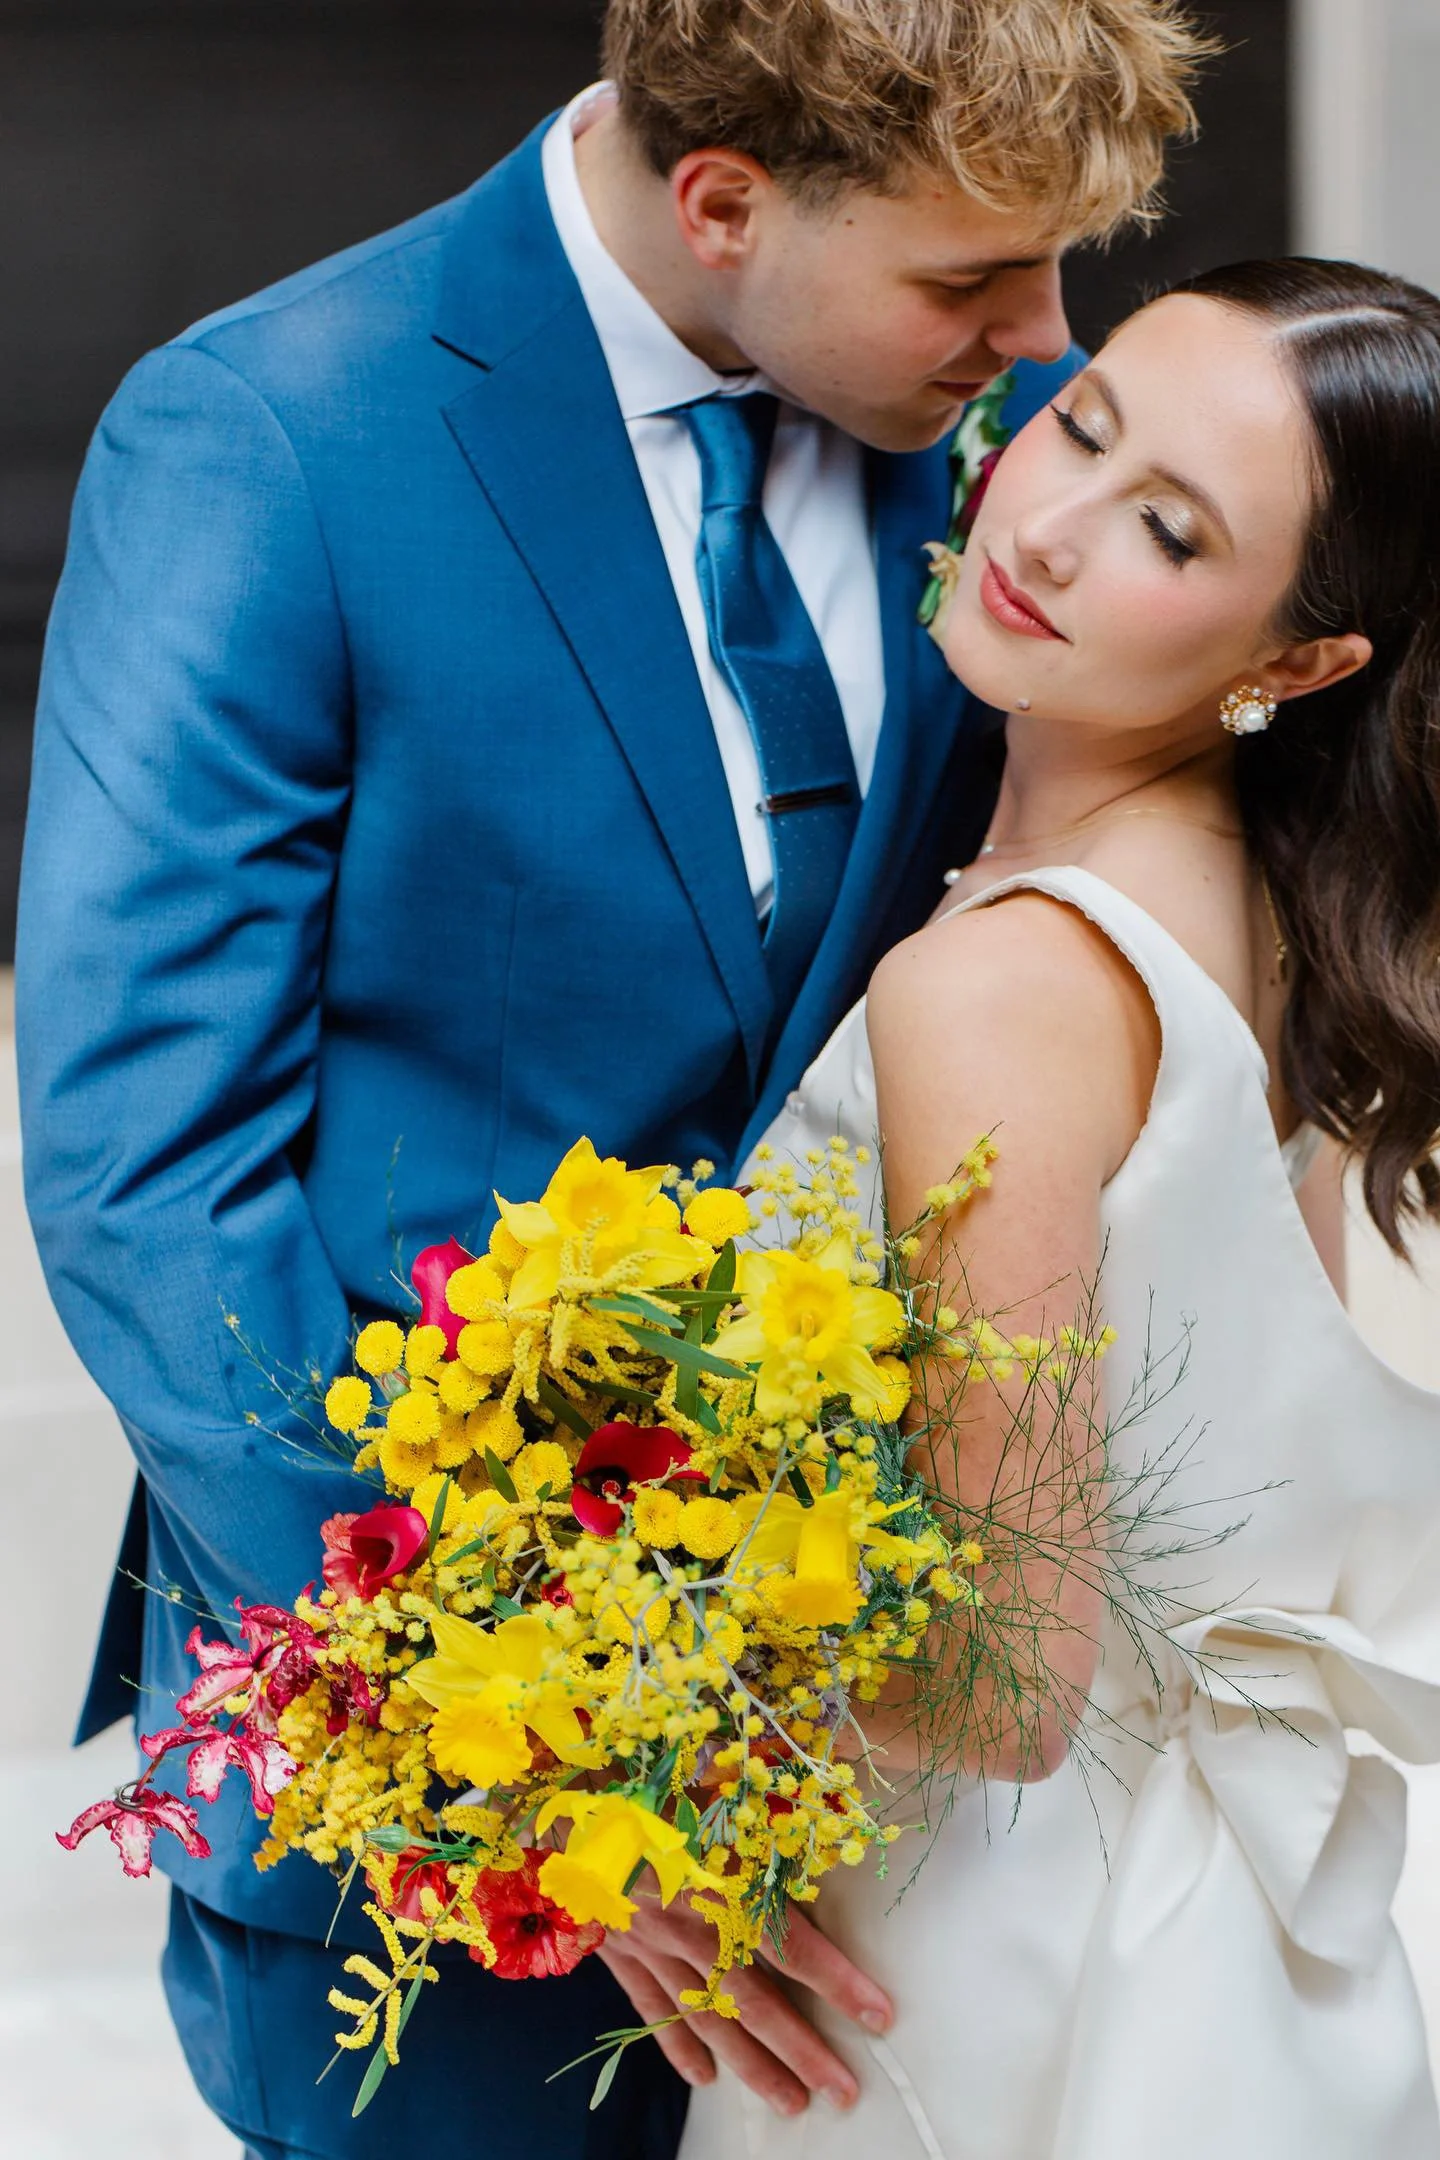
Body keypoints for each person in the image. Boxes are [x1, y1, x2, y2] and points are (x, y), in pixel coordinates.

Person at [15, 3, 1211, 2156]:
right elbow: (146, 1165)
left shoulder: (1019, 442)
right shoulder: (272, 435)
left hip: (919, 1773)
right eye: (970, 280)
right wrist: (531, 1760)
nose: (1046, 340)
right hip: (442, 1776)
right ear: (724, 203)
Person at [680, 257, 1440, 2160]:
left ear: (1297, 663)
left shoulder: (1000, 985)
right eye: (1081, 423)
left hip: (986, 1950)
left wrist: (639, 1691)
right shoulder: (1282, 924)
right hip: (1223, 1947)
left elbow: (1004, 1680)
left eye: (1171, 529)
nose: (1053, 522)